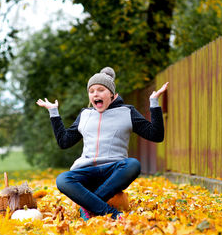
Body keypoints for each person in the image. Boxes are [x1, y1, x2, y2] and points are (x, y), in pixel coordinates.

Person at [36, 67, 168, 220]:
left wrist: (154, 103)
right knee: (62, 179)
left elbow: (156, 135)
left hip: (113, 172)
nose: (95, 94)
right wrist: (54, 112)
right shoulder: (85, 115)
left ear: (112, 94)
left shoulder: (127, 112)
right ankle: (111, 213)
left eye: (100, 90)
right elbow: (64, 142)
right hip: (86, 173)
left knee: (133, 164)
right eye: (91, 91)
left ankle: (88, 207)